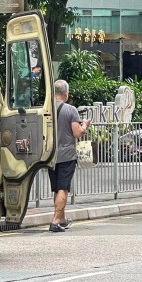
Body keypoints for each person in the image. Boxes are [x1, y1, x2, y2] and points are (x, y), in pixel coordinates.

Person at [48, 79, 90, 232]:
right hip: (67, 154)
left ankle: (62, 218)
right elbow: (77, 133)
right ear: (66, 94)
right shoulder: (70, 110)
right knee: (63, 188)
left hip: (50, 155)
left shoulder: (47, 109)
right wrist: (85, 124)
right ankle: (56, 221)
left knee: (57, 189)